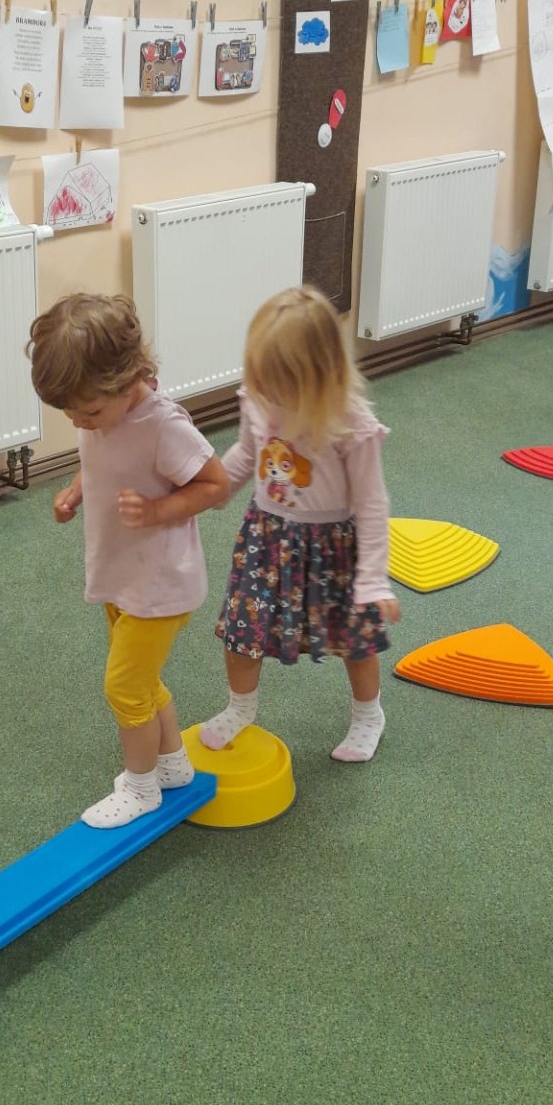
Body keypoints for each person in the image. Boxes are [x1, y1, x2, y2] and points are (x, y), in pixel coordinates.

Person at [28, 292, 230, 829]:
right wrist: (76, 490)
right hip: (121, 571)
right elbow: (101, 457)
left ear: (126, 379)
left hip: (160, 584)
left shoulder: (163, 425)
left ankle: (141, 790)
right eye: (69, 413)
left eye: (89, 412)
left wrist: (159, 509)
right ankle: (172, 766)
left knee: (122, 687)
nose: (81, 422)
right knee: (142, 681)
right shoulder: (99, 415)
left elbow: (216, 485)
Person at [198, 286, 401, 765]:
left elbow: (372, 503)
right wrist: (214, 488)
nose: (267, 392)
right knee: (241, 627)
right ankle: (240, 707)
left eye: (279, 382)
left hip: (334, 546)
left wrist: (373, 580)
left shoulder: (349, 420)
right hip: (267, 537)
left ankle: (368, 713)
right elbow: (248, 452)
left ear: (318, 376)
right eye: (260, 377)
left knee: (353, 638)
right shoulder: (258, 399)